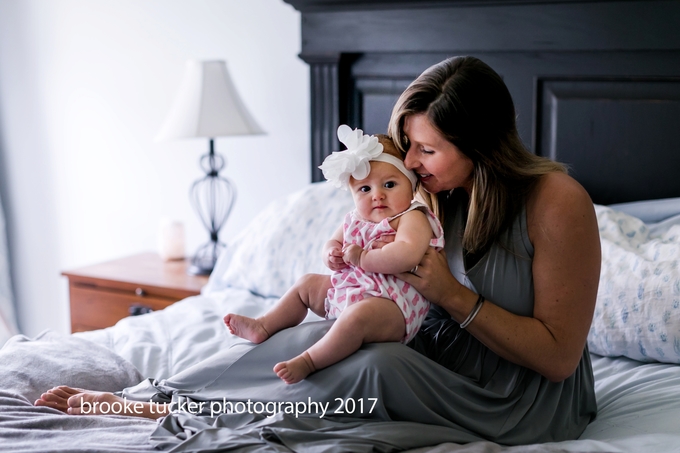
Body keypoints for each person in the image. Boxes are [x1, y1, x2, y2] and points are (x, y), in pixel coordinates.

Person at [35, 56, 599, 446]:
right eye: (410, 147)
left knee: (372, 365)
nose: (414, 165)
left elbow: (558, 358)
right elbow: (366, 227)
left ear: (481, 144)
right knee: (307, 335)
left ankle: (198, 418)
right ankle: (164, 398)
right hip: (439, 350)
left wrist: (450, 296)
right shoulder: (433, 190)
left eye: (427, 149)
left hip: (517, 395)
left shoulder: (557, 202)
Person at [224, 125, 444, 384]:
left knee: (357, 317)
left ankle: (310, 360)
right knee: (307, 284)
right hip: (351, 291)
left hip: (393, 307)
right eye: (365, 189)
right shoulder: (355, 218)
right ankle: (264, 325)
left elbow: (407, 253)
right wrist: (331, 254)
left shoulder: (411, 217)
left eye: (389, 184)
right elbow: (333, 241)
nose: (378, 196)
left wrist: (363, 259)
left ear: (412, 185)